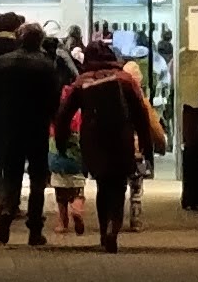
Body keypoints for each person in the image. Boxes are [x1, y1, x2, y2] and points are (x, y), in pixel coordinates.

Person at [55, 37, 163, 251]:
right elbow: (140, 115)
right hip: (121, 137)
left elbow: (64, 115)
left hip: (94, 139)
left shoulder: (83, 81)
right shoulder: (124, 79)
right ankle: (114, 225)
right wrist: (146, 145)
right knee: (119, 185)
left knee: (103, 185)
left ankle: (105, 230)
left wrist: (61, 140)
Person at [0, 15, 67, 249]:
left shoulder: (3, 62)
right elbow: (54, 97)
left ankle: (7, 210)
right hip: (36, 126)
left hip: (8, 126)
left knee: (12, 173)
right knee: (37, 178)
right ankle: (34, 229)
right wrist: (55, 122)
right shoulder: (46, 64)